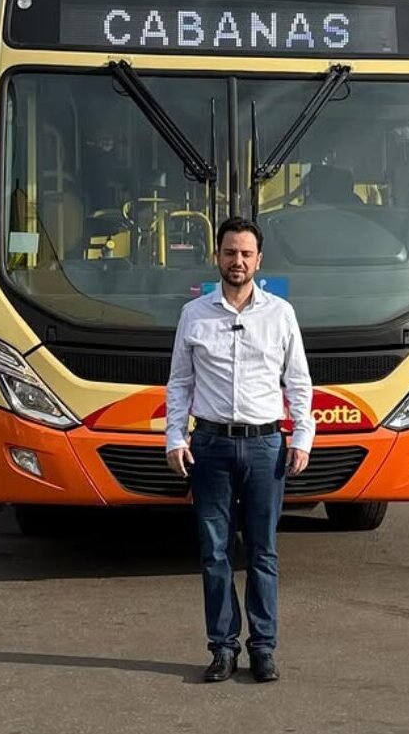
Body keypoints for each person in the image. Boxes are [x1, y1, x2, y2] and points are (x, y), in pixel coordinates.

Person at [165, 216, 314, 683]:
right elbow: (179, 383)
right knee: (214, 553)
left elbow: (299, 383)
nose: (238, 261)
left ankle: (264, 649)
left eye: (246, 254)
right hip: (209, 446)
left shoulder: (280, 314)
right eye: (230, 252)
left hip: (266, 445)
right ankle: (222, 648)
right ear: (218, 257)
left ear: (259, 260)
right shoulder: (194, 316)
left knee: (264, 552)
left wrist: (302, 436)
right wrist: (174, 436)